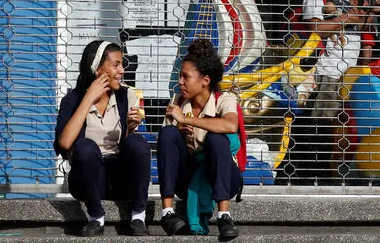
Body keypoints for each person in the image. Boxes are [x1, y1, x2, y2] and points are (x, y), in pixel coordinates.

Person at [54, 40, 150, 237]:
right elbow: (64, 143)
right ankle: (96, 218)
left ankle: (139, 215)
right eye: (116, 65)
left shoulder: (127, 95)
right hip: (88, 179)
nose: (122, 70)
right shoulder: (72, 100)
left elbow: (130, 148)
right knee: (85, 147)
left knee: (138, 142)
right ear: (96, 69)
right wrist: (89, 98)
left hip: (119, 178)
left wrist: (131, 128)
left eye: (122, 64)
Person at [290, 0, 363, 182]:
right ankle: (316, 176)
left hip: (346, 72)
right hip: (329, 71)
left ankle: (330, 171)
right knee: (322, 124)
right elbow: (316, 28)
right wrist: (345, 17)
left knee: (337, 125)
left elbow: (353, 24)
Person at [157, 39, 241, 239]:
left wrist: (189, 120)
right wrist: (178, 128)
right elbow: (167, 145)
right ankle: (167, 213)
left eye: (186, 77)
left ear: (205, 80)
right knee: (168, 133)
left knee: (217, 140)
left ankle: (224, 215)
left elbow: (230, 125)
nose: (180, 81)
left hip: (223, 176)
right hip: (187, 175)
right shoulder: (178, 102)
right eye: (180, 76)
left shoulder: (224, 99)